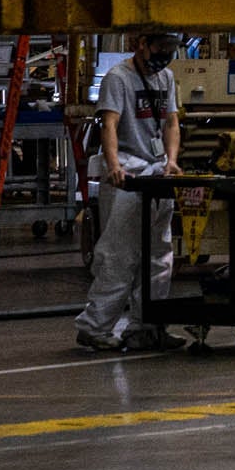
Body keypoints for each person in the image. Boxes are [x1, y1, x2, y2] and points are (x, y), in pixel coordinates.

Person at [75, 31, 182, 351]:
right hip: (128, 172)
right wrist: (113, 166)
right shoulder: (118, 79)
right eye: (159, 47)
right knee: (120, 254)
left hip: (156, 171)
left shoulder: (166, 78)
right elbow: (109, 123)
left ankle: (148, 326)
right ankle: (95, 326)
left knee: (159, 254)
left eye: (170, 48)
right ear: (140, 44)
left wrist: (171, 160)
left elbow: (172, 123)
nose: (164, 53)